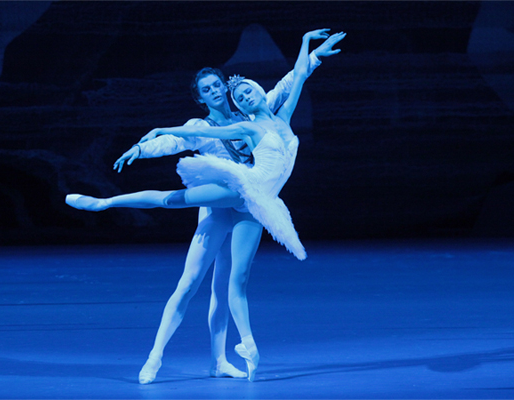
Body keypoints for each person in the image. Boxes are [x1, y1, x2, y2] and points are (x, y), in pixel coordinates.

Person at [67, 29, 346, 382]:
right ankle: (155, 357)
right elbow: (172, 141)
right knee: (189, 282)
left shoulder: (251, 115)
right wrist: (142, 147)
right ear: (201, 98)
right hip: (217, 206)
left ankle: (219, 361)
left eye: (218, 86)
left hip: (248, 205)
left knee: (225, 285)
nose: (216, 91)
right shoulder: (201, 125)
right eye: (208, 90)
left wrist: (314, 54)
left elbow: (289, 84)